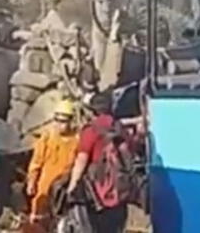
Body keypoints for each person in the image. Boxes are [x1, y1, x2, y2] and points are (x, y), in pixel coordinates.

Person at [67, 92, 133, 233]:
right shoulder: (119, 128)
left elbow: (81, 161)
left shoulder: (91, 131)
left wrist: (72, 187)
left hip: (97, 194)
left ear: (93, 111)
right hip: (119, 192)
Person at [25, 99, 79, 230]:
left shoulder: (77, 140)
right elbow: (36, 162)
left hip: (64, 191)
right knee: (38, 224)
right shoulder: (47, 137)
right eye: (57, 120)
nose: (59, 124)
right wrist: (31, 182)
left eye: (63, 121)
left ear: (71, 121)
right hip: (44, 189)